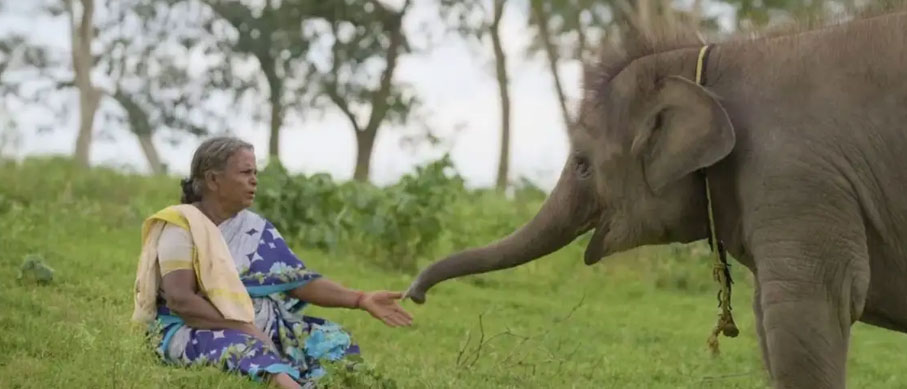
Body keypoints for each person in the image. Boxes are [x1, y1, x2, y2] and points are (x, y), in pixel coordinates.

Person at [131, 136, 413, 389]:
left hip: (262, 327)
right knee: (244, 348)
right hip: (193, 329)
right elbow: (181, 301)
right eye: (245, 172)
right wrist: (244, 328)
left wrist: (361, 299)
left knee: (331, 339)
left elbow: (297, 281)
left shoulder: (254, 229)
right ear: (213, 180)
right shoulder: (181, 227)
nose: (254, 180)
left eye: (255, 172)